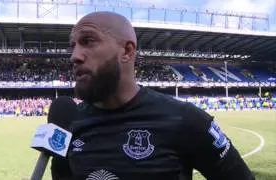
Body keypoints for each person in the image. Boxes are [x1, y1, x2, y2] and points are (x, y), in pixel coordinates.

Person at [51, 11, 255, 180]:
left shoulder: (185, 119)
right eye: (73, 45)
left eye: (88, 41)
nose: (74, 56)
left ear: (127, 51)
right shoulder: (70, 123)